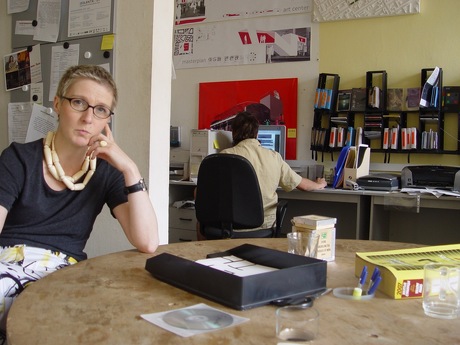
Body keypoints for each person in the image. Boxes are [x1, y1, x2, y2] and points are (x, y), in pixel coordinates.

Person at [0, 65, 159, 338]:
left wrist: (130, 169)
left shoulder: (105, 172)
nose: (88, 117)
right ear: (58, 104)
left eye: (100, 109)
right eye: (79, 103)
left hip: (63, 275)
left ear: (106, 120)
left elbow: (147, 242)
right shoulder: (18, 159)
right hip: (8, 264)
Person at [218, 111, 327, 235]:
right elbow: (304, 186)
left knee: (201, 222)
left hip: (230, 226)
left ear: (233, 132)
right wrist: (319, 184)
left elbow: (200, 193)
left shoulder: (223, 157)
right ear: (256, 133)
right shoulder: (274, 157)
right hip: (263, 226)